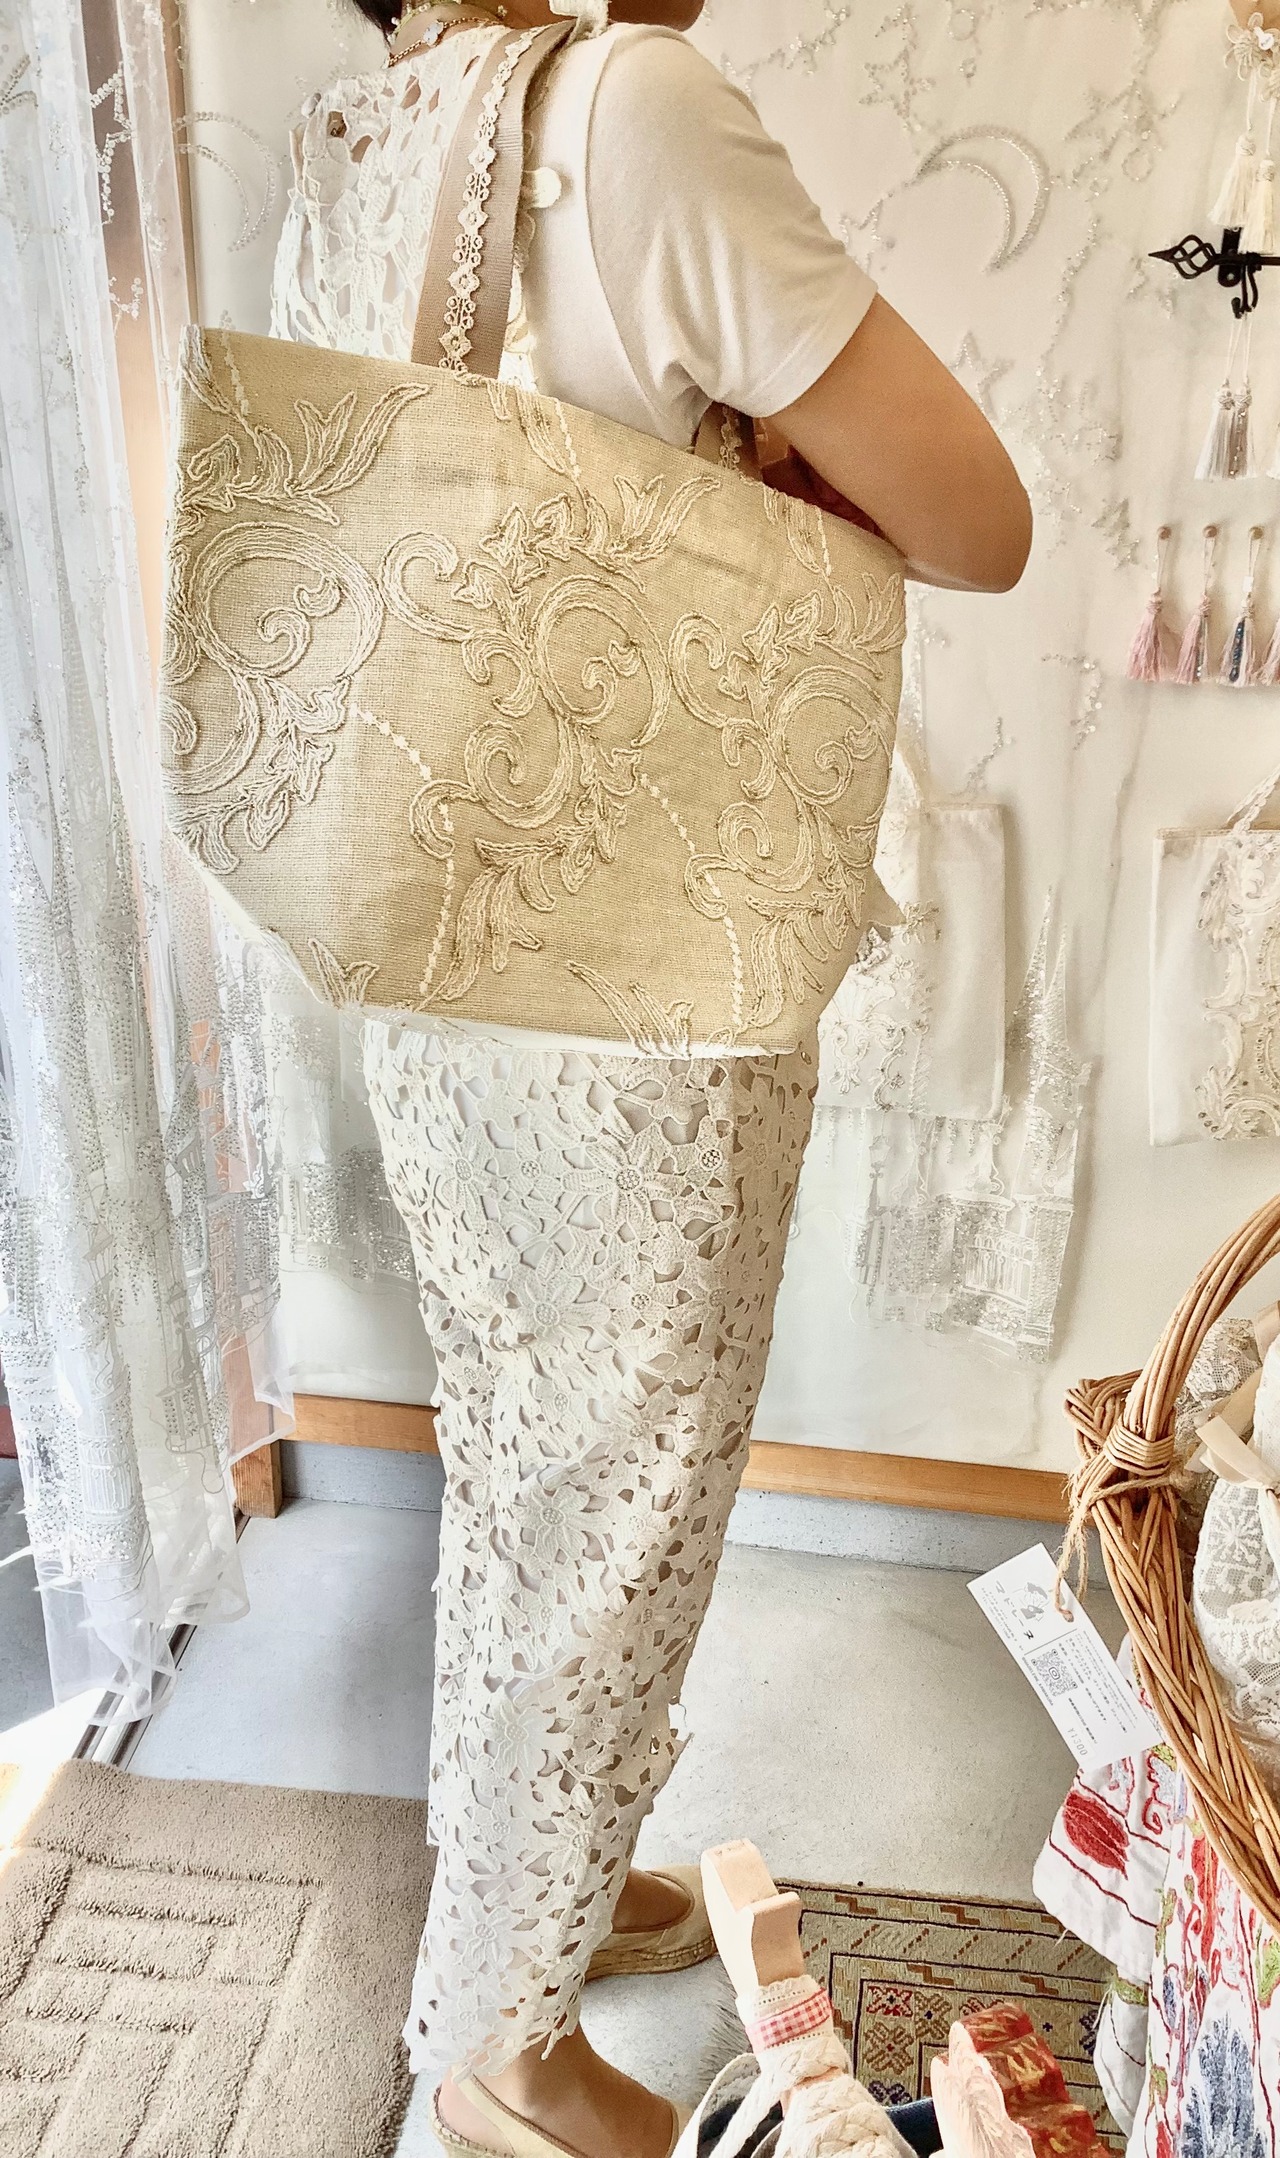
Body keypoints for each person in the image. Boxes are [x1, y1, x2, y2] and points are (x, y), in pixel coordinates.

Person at [271, 4, 1031, 2154]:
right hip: (637, 974)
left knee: (529, 1454)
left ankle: (531, 1889)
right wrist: (772, 458)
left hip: (451, 933)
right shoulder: (632, 108)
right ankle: (504, 2054)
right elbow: (979, 520)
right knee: (624, 1498)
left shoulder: (375, 129)